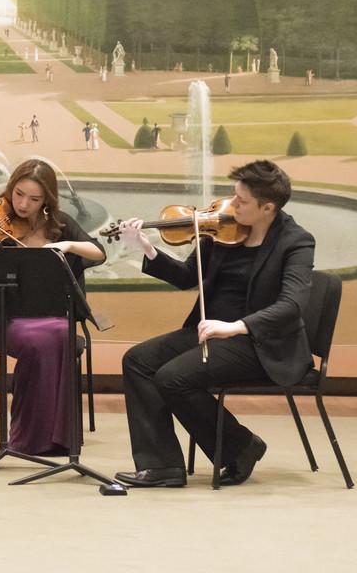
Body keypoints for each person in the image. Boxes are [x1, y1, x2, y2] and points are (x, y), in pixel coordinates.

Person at [113, 160, 315, 488]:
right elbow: (186, 278)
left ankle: (239, 447)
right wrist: (146, 249)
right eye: (233, 196)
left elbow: (291, 306)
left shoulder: (296, 242)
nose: (231, 206)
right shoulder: (221, 230)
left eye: (242, 201)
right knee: (137, 362)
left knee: (171, 378)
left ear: (268, 208)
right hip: (213, 336)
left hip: (261, 345)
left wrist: (237, 326)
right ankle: (162, 466)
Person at [0, 160, 106, 455]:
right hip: (10, 320)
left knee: (60, 335)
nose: (23, 204)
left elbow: (98, 252)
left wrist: (68, 246)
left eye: (34, 199)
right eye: (18, 194)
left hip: (54, 317)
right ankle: (28, 436)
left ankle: (58, 438)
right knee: (42, 341)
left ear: (46, 199)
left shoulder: (60, 224)